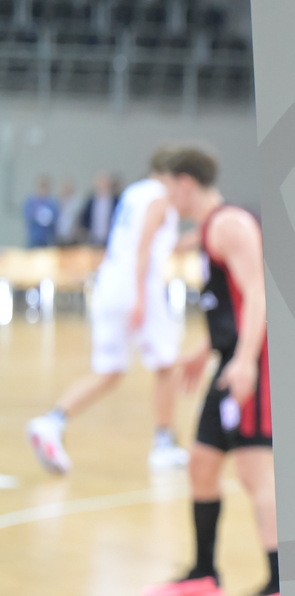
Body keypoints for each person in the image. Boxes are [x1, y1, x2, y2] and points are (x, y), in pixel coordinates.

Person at [140, 147, 281, 596]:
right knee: (201, 463)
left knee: (254, 472)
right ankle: (203, 574)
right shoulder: (206, 230)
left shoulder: (229, 225)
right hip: (229, 358)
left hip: (253, 362)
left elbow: (259, 293)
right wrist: (208, 348)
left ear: (184, 183)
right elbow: (230, 301)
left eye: (165, 188)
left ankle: (281, 586)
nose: (164, 199)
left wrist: (244, 360)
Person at [25, 149, 187, 474]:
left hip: (109, 284)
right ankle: (163, 444)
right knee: (167, 365)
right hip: (137, 287)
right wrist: (139, 298)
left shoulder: (133, 193)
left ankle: (52, 421)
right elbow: (143, 249)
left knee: (109, 371)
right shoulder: (159, 197)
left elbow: (145, 245)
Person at [23, 175, 59, 248]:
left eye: (44, 186)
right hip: (34, 238)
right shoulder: (31, 202)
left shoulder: (52, 203)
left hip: (47, 238)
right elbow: (28, 216)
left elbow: (55, 219)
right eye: (41, 185)